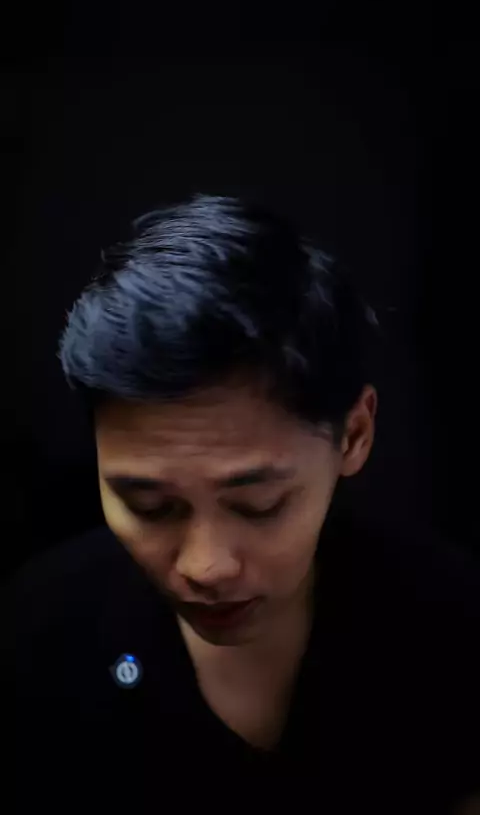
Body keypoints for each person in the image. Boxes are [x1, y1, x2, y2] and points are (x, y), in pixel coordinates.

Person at [8, 195, 480, 813]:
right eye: (151, 507)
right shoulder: (34, 637)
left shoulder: (452, 622)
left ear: (355, 435)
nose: (206, 567)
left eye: (259, 505)